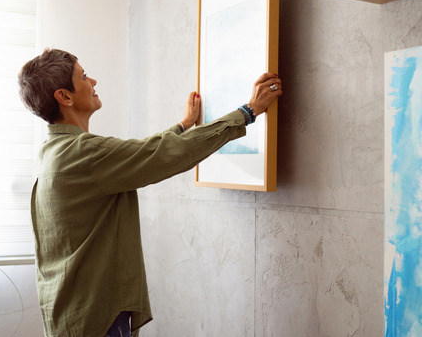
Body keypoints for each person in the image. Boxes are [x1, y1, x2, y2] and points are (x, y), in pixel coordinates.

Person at [17, 48, 282, 337]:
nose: (93, 81)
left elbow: (138, 153)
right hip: (95, 315)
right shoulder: (83, 154)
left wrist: (182, 126)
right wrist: (248, 112)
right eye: (83, 76)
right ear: (64, 97)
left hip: (70, 312)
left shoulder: (51, 152)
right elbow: (159, 155)